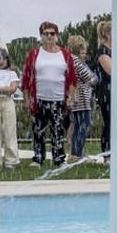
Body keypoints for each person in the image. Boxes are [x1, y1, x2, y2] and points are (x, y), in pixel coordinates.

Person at [22, 21, 77, 167]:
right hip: (39, 98)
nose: (49, 36)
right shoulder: (34, 54)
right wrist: (26, 98)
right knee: (38, 130)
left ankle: (58, 159)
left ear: (57, 35)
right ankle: (38, 157)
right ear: (41, 35)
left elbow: (72, 78)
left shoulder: (65, 54)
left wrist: (70, 98)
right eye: (46, 33)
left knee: (58, 130)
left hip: (58, 98)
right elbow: (26, 78)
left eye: (52, 33)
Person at [66, 35, 95, 162]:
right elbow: (88, 77)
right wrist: (93, 79)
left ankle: (75, 153)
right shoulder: (76, 61)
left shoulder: (69, 60)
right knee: (82, 126)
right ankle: (77, 154)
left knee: (78, 126)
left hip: (76, 99)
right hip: (82, 99)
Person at [94, 21, 113, 157]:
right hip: (107, 91)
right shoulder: (102, 51)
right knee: (110, 122)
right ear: (107, 34)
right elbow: (111, 70)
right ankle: (108, 152)